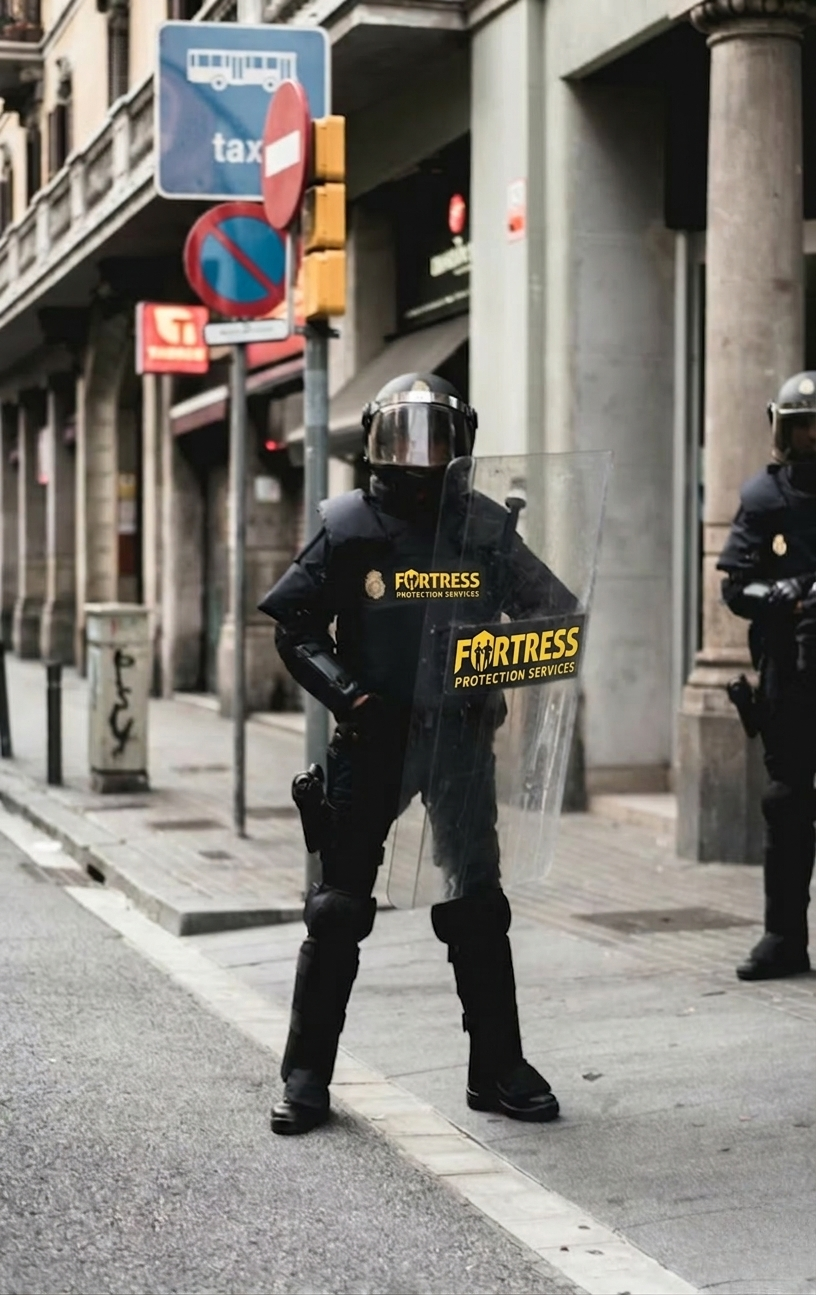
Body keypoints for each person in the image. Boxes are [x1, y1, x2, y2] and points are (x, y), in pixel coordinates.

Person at [259, 372, 579, 1135]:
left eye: (435, 436)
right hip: (373, 739)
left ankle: (496, 1065)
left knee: (479, 901)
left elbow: (551, 611)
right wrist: (348, 693)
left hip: (460, 736)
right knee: (337, 908)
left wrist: (493, 656)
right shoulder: (347, 524)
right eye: (406, 435)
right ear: (375, 441)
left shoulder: (484, 527)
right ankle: (305, 1076)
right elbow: (293, 623)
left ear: (461, 441)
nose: (421, 454)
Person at [719, 369, 816, 982]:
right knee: (786, 803)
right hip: (789, 667)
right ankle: (784, 936)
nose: (810, 437)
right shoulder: (764, 497)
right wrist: (778, 593)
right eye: (801, 426)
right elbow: (734, 583)